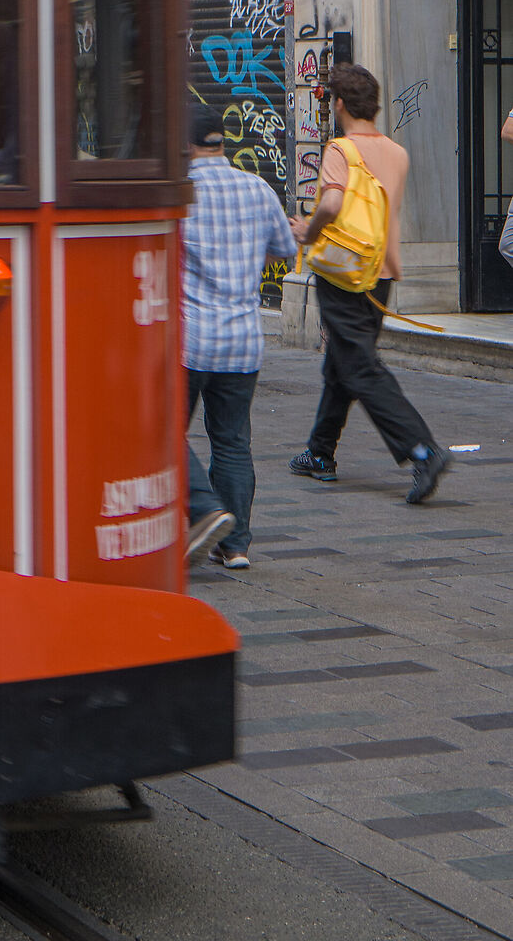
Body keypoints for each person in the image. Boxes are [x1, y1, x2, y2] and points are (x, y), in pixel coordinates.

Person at [290, 62, 449, 504]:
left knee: (359, 366)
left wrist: (308, 230)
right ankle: (320, 453)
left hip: (342, 272)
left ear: (339, 104)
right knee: (345, 360)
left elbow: (335, 202)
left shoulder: (340, 149)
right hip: (380, 273)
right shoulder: (398, 153)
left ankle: (422, 449)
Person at [182, 107, 298, 569]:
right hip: (244, 339)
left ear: (185, 144)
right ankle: (236, 546)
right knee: (232, 441)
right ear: (222, 142)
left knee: (160, 432)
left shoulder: (180, 193)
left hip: (190, 339)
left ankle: (205, 509)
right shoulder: (257, 187)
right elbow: (286, 250)